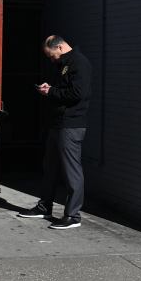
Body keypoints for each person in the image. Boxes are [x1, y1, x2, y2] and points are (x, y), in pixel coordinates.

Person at [17, 34, 92, 229]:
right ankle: (44, 207)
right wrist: (51, 88)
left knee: (71, 170)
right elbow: (66, 89)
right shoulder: (65, 64)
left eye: (52, 56)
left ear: (59, 48)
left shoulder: (79, 63)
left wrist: (51, 92)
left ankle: (73, 216)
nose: (52, 60)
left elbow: (78, 94)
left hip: (71, 124)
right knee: (50, 166)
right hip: (59, 123)